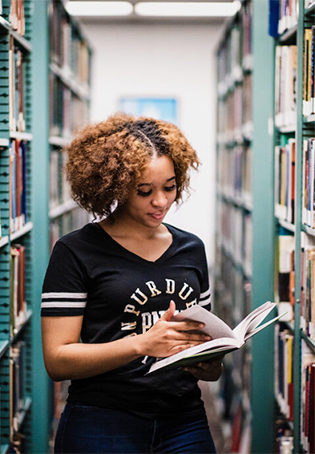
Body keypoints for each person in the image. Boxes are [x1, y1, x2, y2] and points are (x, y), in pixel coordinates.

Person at [41, 113, 223, 454]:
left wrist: (209, 362)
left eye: (170, 187)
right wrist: (141, 344)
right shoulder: (76, 251)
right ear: (115, 186)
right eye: (144, 191)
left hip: (184, 418)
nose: (161, 201)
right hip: (102, 420)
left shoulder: (191, 248)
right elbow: (57, 359)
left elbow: (203, 347)